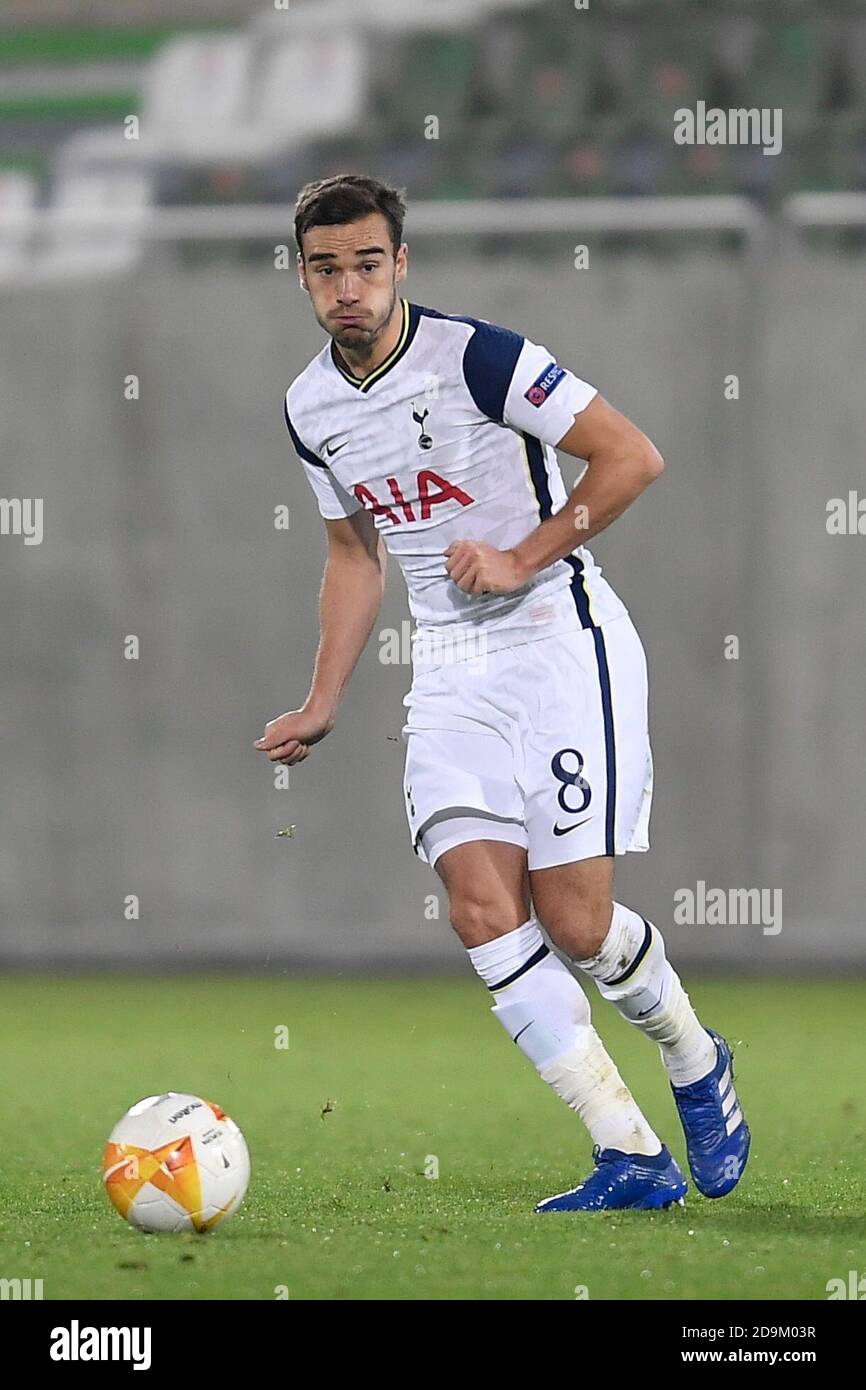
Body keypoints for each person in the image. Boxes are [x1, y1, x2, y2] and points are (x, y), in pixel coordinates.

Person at [256, 174, 750, 1211]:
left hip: (558, 639)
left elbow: (630, 456)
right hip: (445, 668)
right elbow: (354, 555)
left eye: (365, 262)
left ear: (401, 265)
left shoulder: (479, 356)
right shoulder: (309, 407)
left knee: (577, 925)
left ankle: (696, 1058)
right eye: (324, 267)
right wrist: (321, 698)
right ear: (300, 275)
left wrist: (525, 554)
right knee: (479, 907)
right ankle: (627, 1152)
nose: (346, 286)